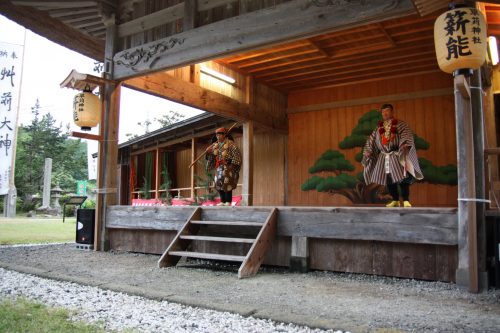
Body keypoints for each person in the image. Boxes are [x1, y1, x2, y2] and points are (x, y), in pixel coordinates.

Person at [362, 104, 423, 207]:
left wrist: (405, 144)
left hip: (396, 155)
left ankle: (406, 200)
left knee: (403, 178)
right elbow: (371, 140)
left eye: (387, 111)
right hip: (383, 157)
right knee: (388, 179)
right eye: (383, 112)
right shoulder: (378, 128)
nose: (385, 113)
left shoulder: (400, 124)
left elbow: (406, 135)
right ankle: (395, 199)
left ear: (392, 112)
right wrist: (368, 151)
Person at [205, 127, 242, 206]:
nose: (218, 136)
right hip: (219, 167)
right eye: (217, 135)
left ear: (224, 135)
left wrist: (231, 165)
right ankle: (222, 201)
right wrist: (208, 152)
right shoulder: (215, 145)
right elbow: (212, 157)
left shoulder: (230, 144)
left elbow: (236, 154)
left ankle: (228, 201)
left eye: (220, 135)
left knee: (227, 183)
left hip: (228, 167)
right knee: (218, 184)